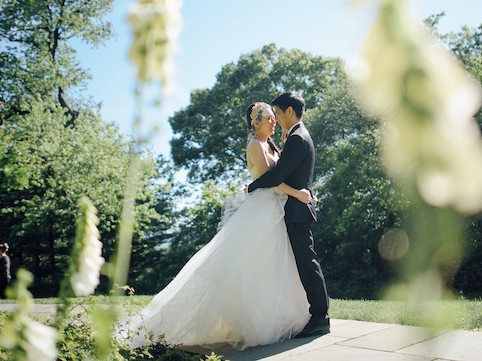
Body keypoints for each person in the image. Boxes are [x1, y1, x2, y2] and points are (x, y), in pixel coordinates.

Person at [126, 102, 315, 350]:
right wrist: (299, 194)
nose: (274, 121)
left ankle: (278, 318)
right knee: (254, 267)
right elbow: (272, 181)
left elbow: (282, 173)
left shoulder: (270, 144)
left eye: (274, 117)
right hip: (263, 209)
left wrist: (304, 192)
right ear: (256, 122)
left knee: (274, 265)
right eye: (269, 118)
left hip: (275, 210)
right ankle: (255, 323)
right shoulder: (255, 145)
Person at [247, 91, 330, 337]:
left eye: (278, 113)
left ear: (289, 112)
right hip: (293, 209)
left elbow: (275, 175)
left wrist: (251, 187)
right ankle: (316, 315)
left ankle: (319, 318)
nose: (276, 119)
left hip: (297, 211)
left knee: (307, 263)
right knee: (303, 263)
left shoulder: (297, 138)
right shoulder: (295, 136)